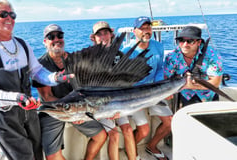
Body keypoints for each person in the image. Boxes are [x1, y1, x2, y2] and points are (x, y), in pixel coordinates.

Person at [0, 0, 71, 160]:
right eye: (3, 14)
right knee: (24, 156)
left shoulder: (22, 44)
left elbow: (37, 71)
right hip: (4, 117)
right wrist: (17, 98)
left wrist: (55, 78)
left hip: (28, 110)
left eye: (12, 15)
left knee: (37, 153)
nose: (9, 18)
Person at [32, 24, 107, 160]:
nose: (56, 39)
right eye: (51, 36)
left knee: (101, 136)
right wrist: (72, 114)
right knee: (52, 156)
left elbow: (84, 88)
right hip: (53, 110)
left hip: (76, 107)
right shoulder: (40, 65)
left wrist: (79, 113)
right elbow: (47, 96)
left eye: (59, 35)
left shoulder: (75, 59)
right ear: (45, 42)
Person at [121, 16, 172, 160]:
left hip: (155, 91)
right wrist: (137, 100)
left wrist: (161, 88)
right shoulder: (126, 51)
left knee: (170, 122)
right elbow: (122, 79)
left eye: (148, 27)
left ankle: (152, 145)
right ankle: (131, 148)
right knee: (143, 130)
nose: (146, 31)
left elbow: (160, 68)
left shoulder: (158, 46)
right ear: (134, 31)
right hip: (136, 96)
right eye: (142, 28)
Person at [90, 21, 137, 160]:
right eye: (99, 34)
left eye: (105, 33)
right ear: (94, 38)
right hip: (101, 104)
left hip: (119, 101)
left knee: (128, 130)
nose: (103, 36)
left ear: (111, 35)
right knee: (114, 134)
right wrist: (108, 110)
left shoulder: (120, 55)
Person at [164, 26, 223, 107]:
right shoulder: (172, 57)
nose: (185, 44)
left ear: (199, 42)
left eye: (190, 41)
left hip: (208, 96)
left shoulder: (212, 55)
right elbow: (166, 78)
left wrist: (191, 86)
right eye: (181, 40)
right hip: (186, 96)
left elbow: (215, 82)